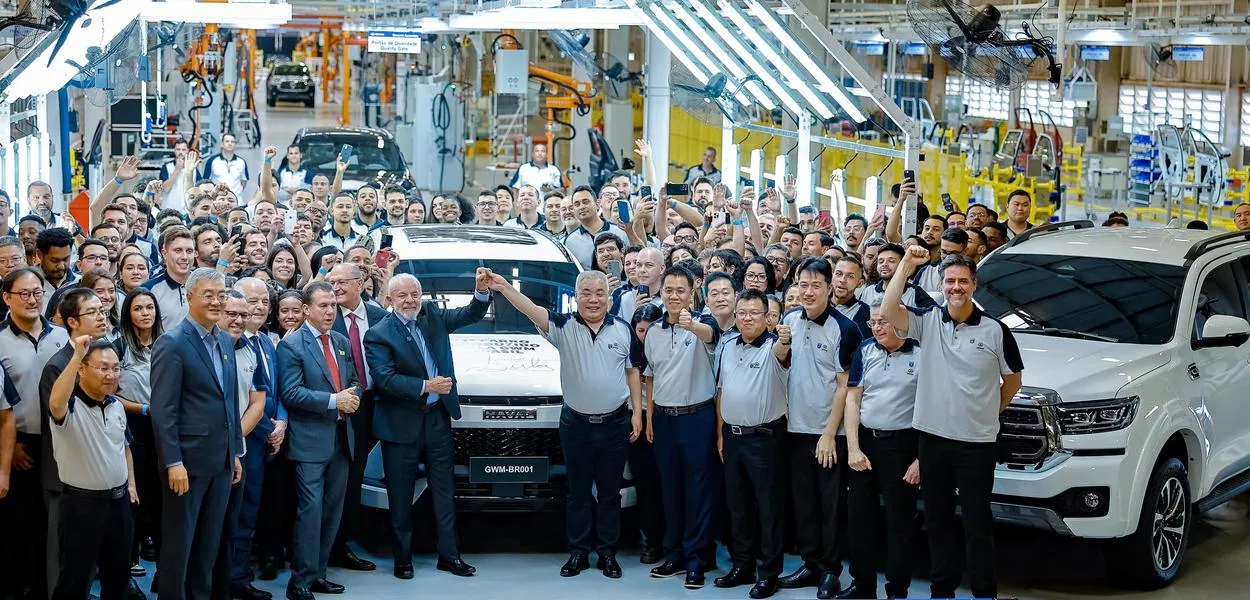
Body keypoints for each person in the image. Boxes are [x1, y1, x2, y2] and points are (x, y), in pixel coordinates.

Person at [879, 248, 1023, 599]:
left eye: (963, 281)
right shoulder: (928, 321)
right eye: (949, 281)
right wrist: (906, 265)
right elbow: (887, 310)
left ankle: (983, 592)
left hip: (976, 443)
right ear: (941, 285)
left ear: (974, 285)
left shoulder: (996, 331)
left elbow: (1013, 382)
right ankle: (941, 590)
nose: (956, 287)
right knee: (938, 520)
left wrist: (988, 412)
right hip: (932, 440)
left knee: (976, 522)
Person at [486, 268, 643, 578]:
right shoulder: (562, 325)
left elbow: (633, 372)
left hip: (615, 424)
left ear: (608, 298)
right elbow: (529, 308)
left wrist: (637, 414)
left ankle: (608, 554)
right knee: (578, 493)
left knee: (610, 494)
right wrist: (504, 287)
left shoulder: (623, 330)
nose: (593, 300)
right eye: (586, 293)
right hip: (576, 425)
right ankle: (579, 553)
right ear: (577, 297)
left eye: (599, 293)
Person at [363, 271, 492, 580]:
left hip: (437, 420)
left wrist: (481, 292)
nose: (410, 301)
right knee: (401, 495)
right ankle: (402, 560)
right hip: (400, 424)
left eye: (414, 294)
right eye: (403, 296)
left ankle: (450, 557)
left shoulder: (431, 314)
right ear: (390, 300)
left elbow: (470, 313)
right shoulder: (378, 333)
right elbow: (385, 379)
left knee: (445, 491)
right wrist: (426, 386)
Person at [150, 268, 244, 600]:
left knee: (208, 545)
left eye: (222, 294)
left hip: (220, 461)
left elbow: (229, 399)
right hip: (186, 465)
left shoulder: (223, 339)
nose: (217, 301)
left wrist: (235, 452)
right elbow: (163, 411)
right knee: (179, 545)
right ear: (190, 297)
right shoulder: (172, 343)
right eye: (209, 295)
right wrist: (172, 462)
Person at [777, 257, 862, 600]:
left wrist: (829, 433)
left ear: (830, 287)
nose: (808, 292)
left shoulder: (845, 328)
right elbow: (782, 362)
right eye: (802, 284)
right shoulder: (789, 320)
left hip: (831, 434)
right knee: (804, 503)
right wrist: (782, 342)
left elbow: (846, 386)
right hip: (795, 427)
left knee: (831, 507)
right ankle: (810, 563)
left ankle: (830, 571)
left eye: (816, 285)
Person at [275, 282, 360, 600]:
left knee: (331, 512)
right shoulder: (292, 345)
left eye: (333, 306)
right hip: (310, 441)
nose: (329, 311)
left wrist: (353, 397)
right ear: (306, 309)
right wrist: (334, 401)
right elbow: (291, 392)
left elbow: (354, 380)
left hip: (341, 438)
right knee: (309, 513)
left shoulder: (339, 340)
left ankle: (319, 574)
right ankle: (299, 581)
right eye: (322, 306)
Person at [643, 266, 721, 590]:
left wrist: (694, 325)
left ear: (693, 292)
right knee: (670, 489)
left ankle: (696, 561)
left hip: (697, 418)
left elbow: (712, 336)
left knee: (698, 491)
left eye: (680, 290)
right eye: (668, 290)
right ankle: (673, 554)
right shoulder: (654, 331)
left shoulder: (705, 323)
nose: (674, 296)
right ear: (661, 293)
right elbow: (650, 374)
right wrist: (648, 418)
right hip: (663, 418)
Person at [46, 335, 136, 600]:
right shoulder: (69, 406)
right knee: (75, 578)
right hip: (82, 506)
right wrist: (76, 356)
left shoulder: (117, 405)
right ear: (82, 370)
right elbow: (54, 403)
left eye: (115, 368)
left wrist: (131, 485)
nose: (111, 374)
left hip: (119, 504)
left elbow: (124, 447)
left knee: (119, 577)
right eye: (103, 368)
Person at [841, 303, 922, 600]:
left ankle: (897, 589)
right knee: (859, 518)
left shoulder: (922, 353)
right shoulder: (865, 350)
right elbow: (852, 399)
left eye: (883, 322)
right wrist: (853, 446)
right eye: (873, 322)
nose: (876, 328)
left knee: (900, 522)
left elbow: (934, 407)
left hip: (903, 446)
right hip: (866, 442)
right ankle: (862, 585)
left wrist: (920, 458)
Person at [713, 289, 788, 599]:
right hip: (732, 437)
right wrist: (720, 434)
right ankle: (742, 566)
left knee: (769, 509)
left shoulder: (774, 347)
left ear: (767, 317)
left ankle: (769, 573)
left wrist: (784, 338)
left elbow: (784, 351)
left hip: (765, 438)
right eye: (741, 312)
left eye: (754, 313)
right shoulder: (728, 346)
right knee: (738, 506)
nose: (746, 318)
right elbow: (721, 392)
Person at [0, 268, 70, 600]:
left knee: (53, 523)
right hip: (18, 444)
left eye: (37, 293)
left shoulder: (61, 336)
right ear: (7, 298)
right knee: (17, 523)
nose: (32, 300)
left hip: (61, 444)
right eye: (23, 294)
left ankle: (48, 588)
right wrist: (10, 449)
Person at [39, 287, 109, 596]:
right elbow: (60, 420)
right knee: (63, 555)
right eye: (92, 312)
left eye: (102, 309)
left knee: (89, 555)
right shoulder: (59, 366)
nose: (101, 315)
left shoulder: (103, 353)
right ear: (71, 322)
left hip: (98, 472)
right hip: (66, 477)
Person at [229, 278, 289, 600]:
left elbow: (273, 391)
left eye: (265, 300)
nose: (259, 306)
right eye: (252, 300)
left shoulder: (267, 343)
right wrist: (269, 428)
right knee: (239, 513)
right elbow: (248, 401)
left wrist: (281, 423)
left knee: (252, 511)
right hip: (244, 439)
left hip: (265, 438)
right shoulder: (232, 342)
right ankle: (234, 579)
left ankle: (240, 573)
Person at [325, 263, 387, 571]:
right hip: (343, 406)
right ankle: (337, 544)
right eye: (330, 281)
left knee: (365, 471)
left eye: (340, 282)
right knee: (344, 474)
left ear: (360, 283)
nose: (334, 287)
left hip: (378, 403)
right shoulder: (325, 318)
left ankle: (358, 534)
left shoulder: (378, 316)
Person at [115, 289, 163, 574]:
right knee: (135, 489)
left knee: (160, 490)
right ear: (128, 314)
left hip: (164, 425)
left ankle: (159, 550)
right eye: (138, 308)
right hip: (133, 424)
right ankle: (129, 555)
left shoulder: (167, 344)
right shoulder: (119, 346)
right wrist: (144, 409)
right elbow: (110, 394)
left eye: (149, 308)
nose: (145, 313)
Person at [143, 226, 197, 331]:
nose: (185, 257)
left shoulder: (204, 285)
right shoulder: (149, 290)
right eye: (178, 250)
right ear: (164, 253)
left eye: (189, 251)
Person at [563, 185, 628, 269]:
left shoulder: (620, 231)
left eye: (585, 202)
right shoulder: (570, 241)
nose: (582, 207)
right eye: (577, 204)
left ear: (597, 204)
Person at [34, 227, 76, 309]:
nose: (61, 266)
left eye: (66, 259)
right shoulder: (26, 283)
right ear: (39, 254)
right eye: (55, 260)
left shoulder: (80, 282)